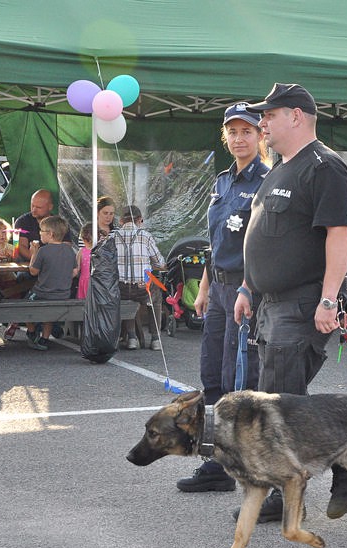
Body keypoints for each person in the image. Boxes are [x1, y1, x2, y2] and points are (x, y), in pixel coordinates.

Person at [233, 83, 347, 522]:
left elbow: (340, 236)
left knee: (281, 404)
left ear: (296, 117)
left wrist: (328, 299)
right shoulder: (280, 168)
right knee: (283, 400)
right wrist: (249, 287)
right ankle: (346, 462)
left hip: (302, 303)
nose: (261, 123)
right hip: (269, 304)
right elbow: (263, 236)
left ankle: (320, 477)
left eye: (269, 115)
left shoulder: (324, 168)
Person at [176, 102, 270, 493]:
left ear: (261, 135)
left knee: (239, 380)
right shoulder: (222, 181)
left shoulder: (268, 180)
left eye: (246, 131)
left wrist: (246, 288)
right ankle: (216, 465)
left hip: (245, 288)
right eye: (232, 132)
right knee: (211, 374)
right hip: (217, 288)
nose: (238, 138)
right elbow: (215, 240)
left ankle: (249, 469)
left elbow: (263, 243)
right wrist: (204, 287)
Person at [112, 205, 165, 350]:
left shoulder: (113, 236)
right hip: (142, 288)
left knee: (128, 300)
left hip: (121, 288)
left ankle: (132, 338)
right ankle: (155, 339)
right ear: (139, 219)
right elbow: (160, 263)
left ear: (121, 221)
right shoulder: (145, 236)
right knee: (156, 297)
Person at [24, 215, 78, 351]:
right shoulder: (70, 250)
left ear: (51, 234)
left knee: (25, 304)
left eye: (42, 231)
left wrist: (34, 253)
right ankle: (45, 338)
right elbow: (74, 272)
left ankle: (31, 331)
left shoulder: (43, 251)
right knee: (49, 313)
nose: (40, 233)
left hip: (43, 293)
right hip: (63, 294)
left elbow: (33, 271)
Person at [13, 189, 54, 263]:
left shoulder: (58, 224)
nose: (34, 210)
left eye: (39, 207)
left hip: (53, 265)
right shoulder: (22, 221)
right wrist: (37, 262)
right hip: (27, 265)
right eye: (32, 205)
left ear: (50, 207)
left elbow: (66, 246)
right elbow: (20, 246)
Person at [75, 224, 93, 300]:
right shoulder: (100, 251)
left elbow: (76, 269)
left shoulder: (81, 251)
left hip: (84, 281)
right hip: (95, 281)